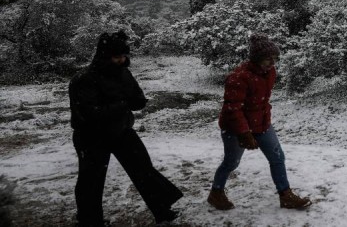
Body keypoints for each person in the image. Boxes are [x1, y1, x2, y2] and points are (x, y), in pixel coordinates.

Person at [69, 31, 183, 226]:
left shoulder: (123, 73)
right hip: (91, 137)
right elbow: (91, 113)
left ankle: (162, 210)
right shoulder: (84, 79)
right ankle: (89, 221)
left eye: (124, 56)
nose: (122, 60)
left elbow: (136, 97)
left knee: (144, 170)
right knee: (91, 180)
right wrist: (124, 104)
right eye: (117, 56)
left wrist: (138, 101)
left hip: (121, 131)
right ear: (104, 56)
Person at [207, 33, 311, 211]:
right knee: (231, 163)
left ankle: (285, 195)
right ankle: (216, 193)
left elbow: (262, 101)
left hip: (262, 124)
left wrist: (263, 121)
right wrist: (244, 133)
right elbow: (233, 109)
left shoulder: (269, 72)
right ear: (256, 59)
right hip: (235, 128)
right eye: (267, 59)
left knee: (277, 157)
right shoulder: (238, 77)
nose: (272, 62)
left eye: (275, 58)